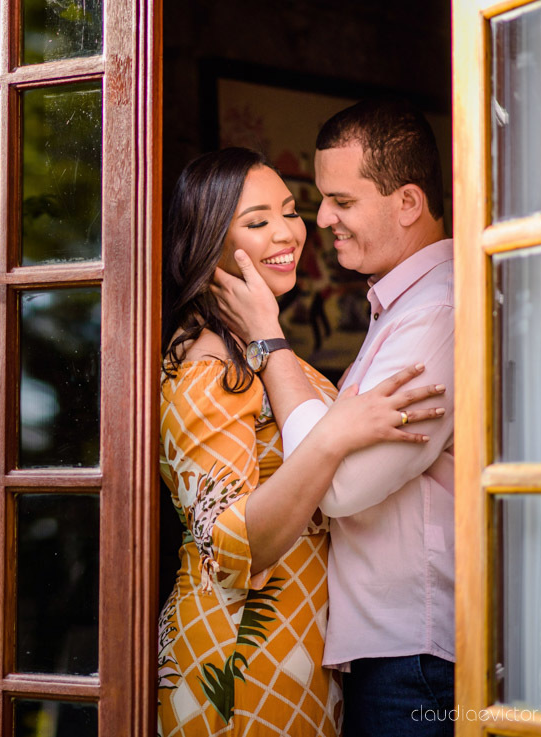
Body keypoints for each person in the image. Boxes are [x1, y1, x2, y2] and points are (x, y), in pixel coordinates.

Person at [157, 146, 447, 737]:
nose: (289, 232)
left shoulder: (260, 355)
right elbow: (235, 548)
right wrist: (335, 434)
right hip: (238, 658)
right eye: (257, 222)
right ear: (211, 243)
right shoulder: (207, 369)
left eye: (290, 211)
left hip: (299, 651)